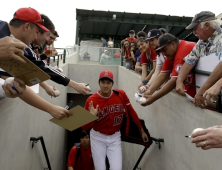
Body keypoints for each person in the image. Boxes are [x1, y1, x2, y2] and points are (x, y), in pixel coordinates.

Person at [0, 7, 86, 119]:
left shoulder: (24, 48)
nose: (36, 36)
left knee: (11, 86)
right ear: (26, 27)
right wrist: (50, 108)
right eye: (36, 32)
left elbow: (40, 67)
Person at [82, 70, 148, 170]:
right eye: (103, 82)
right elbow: (84, 127)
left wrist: (141, 129)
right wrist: (91, 117)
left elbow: (131, 112)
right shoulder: (91, 100)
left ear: (112, 83)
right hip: (97, 137)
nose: (105, 85)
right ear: (99, 83)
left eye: (108, 82)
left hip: (115, 137)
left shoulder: (121, 94)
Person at [175, 11, 222, 108]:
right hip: (212, 99)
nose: (194, 32)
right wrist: (179, 81)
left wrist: (201, 91)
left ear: (207, 25)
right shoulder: (201, 42)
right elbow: (189, 61)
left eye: (196, 28)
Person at [141, 33, 196, 106]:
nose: (164, 54)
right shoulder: (171, 54)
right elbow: (162, 75)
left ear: (173, 44)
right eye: (161, 51)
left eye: (164, 49)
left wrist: (153, 98)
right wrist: (150, 91)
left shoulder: (183, 49)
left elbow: (174, 81)